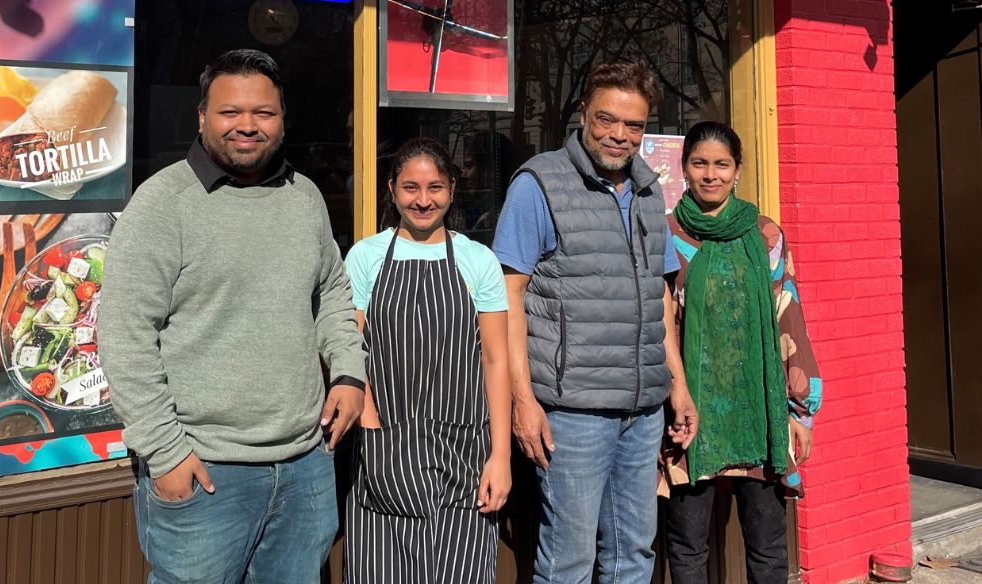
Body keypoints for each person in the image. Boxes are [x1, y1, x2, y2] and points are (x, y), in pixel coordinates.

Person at [98, 49, 367, 584]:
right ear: (202, 117)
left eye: (264, 113)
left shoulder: (305, 197)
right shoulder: (163, 203)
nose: (247, 125)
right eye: (230, 112)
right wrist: (165, 453)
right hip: (205, 471)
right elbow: (125, 335)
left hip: (306, 463)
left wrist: (348, 371)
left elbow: (333, 290)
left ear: (282, 119)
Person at [492, 61, 698, 583]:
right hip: (572, 414)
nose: (619, 135)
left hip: (643, 409)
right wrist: (523, 401)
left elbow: (659, 297)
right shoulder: (539, 183)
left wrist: (677, 385)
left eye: (634, 126)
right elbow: (507, 300)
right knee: (568, 563)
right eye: (607, 119)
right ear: (584, 112)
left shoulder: (652, 192)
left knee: (634, 556)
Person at [343, 137, 512, 584]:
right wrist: (372, 426)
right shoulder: (366, 257)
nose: (423, 200)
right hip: (385, 453)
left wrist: (500, 456)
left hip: (464, 456)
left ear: (452, 189)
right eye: (411, 188)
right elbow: (350, 349)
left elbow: (496, 360)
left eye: (434, 187)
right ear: (392, 189)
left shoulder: (479, 260)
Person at [660, 121, 821, 584]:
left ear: (737, 171)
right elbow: (659, 322)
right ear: (685, 168)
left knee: (768, 545)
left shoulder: (766, 234)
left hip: (760, 409)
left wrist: (800, 412)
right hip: (690, 412)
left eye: (721, 165)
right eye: (700, 163)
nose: (710, 174)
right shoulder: (667, 236)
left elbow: (787, 315)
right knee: (687, 544)